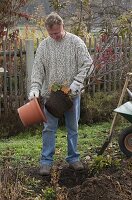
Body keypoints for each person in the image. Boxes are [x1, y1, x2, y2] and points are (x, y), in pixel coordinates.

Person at [29, 12, 94, 175]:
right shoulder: (44, 46)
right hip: (51, 96)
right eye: (51, 34)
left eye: (57, 33)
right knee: (49, 128)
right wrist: (35, 88)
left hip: (71, 95)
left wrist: (77, 83)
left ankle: (73, 158)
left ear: (62, 26)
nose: (54, 36)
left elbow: (88, 64)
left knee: (73, 127)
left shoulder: (75, 42)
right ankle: (46, 162)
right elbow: (37, 69)